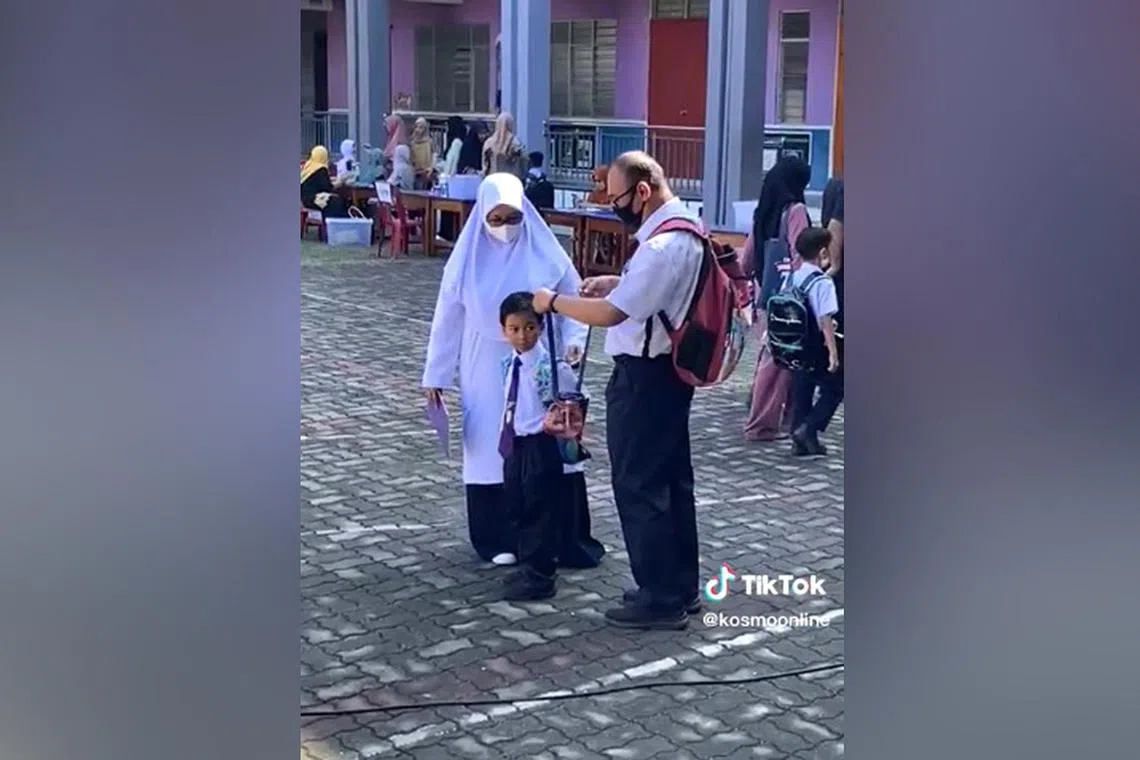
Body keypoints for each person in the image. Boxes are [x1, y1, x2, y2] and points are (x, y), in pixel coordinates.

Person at [531, 151, 702, 631]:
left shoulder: (659, 248)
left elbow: (611, 315)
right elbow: (650, 293)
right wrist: (616, 281)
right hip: (672, 373)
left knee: (639, 485)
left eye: (618, 198)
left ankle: (659, 597)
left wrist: (554, 302)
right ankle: (681, 587)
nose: (614, 207)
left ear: (643, 192)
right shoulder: (687, 227)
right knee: (673, 482)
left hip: (644, 377)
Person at [422, 173, 604, 567]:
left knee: (549, 442)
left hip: (541, 362)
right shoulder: (466, 261)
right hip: (484, 365)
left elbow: (575, 301)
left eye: (514, 219)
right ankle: (497, 536)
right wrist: (436, 375)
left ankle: (560, 536)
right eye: (497, 219)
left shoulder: (546, 253)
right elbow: (447, 318)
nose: (505, 229)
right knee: (490, 445)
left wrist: (572, 343)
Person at [495, 291, 584, 600]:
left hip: (540, 446)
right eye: (514, 329)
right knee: (517, 504)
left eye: (530, 328)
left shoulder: (550, 368)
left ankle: (540, 576)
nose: (522, 336)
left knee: (540, 509)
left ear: (542, 327)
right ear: (503, 330)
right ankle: (527, 566)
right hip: (515, 443)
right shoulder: (509, 364)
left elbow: (571, 402)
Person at [742, 155, 812, 442]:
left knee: (772, 357)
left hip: (764, 296)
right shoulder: (795, 211)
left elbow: (746, 260)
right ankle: (761, 424)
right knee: (779, 361)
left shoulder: (764, 213)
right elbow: (801, 255)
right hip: (788, 301)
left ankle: (779, 414)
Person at [787, 228, 842, 456]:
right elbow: (825, 319)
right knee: (836, 387)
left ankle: (799, 438)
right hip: (816, 344)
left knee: (803, 388)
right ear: (822, 251)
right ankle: (808, 428)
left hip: (797, 343)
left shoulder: (795, 276)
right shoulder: (822, 281)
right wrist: (833, 353)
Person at [300, 145, 349, 219]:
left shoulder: (309, 165)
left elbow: (316, 182)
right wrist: (340, 182)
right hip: (313, 200)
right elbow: (328, 188)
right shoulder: (321, 169)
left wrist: (331, 179)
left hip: (305, 199)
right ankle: (337, 224)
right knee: (336, 202)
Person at [482, 112, 527, 178]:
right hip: (511, 179)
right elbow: (522, 163)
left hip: (493, 178)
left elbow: (485, 164)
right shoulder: (516, 143)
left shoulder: (489, 143)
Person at [410, 117, 436, 189]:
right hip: (416, 173)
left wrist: (432, 167)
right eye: (416, 127)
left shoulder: (429, 141)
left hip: (427, 173)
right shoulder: (412, 142)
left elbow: (434, 154)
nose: (418, 130)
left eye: (421, 127)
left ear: (425, 129)